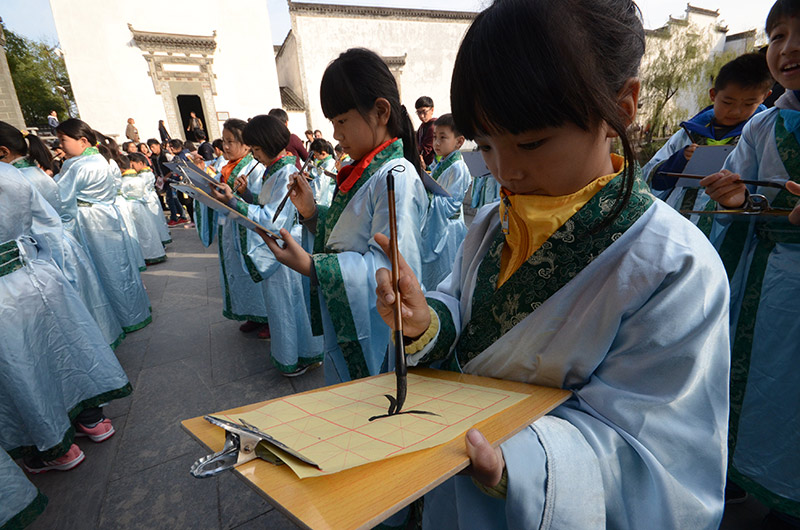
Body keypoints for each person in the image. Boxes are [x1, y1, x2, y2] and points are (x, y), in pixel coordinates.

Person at [373, 1, 730, 528]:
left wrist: (522, 465)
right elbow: (462, 304)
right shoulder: (493, 224)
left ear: (622, 106)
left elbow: (656, 453)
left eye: (532, 142)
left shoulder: (674, 266)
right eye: (487, 144)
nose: (506, 170)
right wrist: (428, 320)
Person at [257, 48, 428, 386]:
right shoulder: (370, 171)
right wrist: (311, 213)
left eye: (341, 121)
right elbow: (350, 233)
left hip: (378, 330)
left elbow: (391, 271)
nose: (335, 135)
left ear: (380, 111)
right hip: (350, 314)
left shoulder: (396, 176)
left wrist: (311, 265)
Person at [699, 1, 800, 525]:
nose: (789, 48)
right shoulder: (764, 128)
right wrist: (736, 201)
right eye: (778, 34)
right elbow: (739, 204)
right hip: (775, 292)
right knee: (770, 395)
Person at [0, 161, 131, 474]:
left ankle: (53, 446)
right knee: (64, 346)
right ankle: (92, 419)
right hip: (37, 273)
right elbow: (48, 221)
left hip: (5, 295)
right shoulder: (9, 172)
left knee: (23, 369)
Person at [211, 115, 323, 376]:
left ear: (269, 145)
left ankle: (296, 357)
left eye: (257, 149)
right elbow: (267, 207)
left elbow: (273, 219)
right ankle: (302, 353)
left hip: (285, 252)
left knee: (286, 305)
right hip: (280, 248)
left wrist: (236, 202)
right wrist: (247, 195)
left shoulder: (286, 172)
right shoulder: (276, 170)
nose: (254, 155)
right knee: (287, 304)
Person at [0, 121, 125, 348]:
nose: (60, 146)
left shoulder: (13, 179)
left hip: (47, 247)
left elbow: (63, 202)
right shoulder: (37, 172)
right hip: (70, 235)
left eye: (63, 140)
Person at [55, 118, 152, 333]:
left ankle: (115, 318)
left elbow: (59, 199)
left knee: (103, 270)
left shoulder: (78, 166)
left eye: (63, 140)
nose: (60, 145)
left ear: (82, 141)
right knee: (117, 266)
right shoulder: (101, 160)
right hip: (106, 215)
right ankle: (133, 312)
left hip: (90, 221)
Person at [643, 53, 773, 212]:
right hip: (679, 216)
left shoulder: (762, 138)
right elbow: (650, 178)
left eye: (749, 103)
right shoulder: (688, 134)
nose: (736, 111)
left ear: (765, 98)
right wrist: (680, 159)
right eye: (727, 102)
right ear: (713, 95)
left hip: (727, 226)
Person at [194, 118, 270, 338]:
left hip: (248, 231)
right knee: (237, 272)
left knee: (252, 271)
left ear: (246, 145)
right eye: (224, 141)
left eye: (231, 141)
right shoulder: (225, 166)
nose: (225, 146)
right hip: (230, 228)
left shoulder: (254, 167)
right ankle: (251, 313)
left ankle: (267, 316)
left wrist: (237, 196)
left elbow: (259, 201)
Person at [420, 113, 471, 289]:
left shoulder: (458, 168)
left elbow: (451, 205)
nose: (436, 143)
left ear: (459, 142)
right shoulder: (442, 163)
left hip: (449, 229)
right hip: (439, 225)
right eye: (434, 138)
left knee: (447, 272)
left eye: (443, 138)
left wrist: (427, 195)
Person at [116, 154, 167, 265]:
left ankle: (148, 255)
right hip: (141, 204)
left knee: (141, 233)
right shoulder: (140, 178)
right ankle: (155, 252)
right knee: (149, 229)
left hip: (132, 207)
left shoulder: (125, 181)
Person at [129, 151, 171, 246]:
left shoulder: (143, 175)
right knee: (157, 221)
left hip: (148, 200)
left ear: (140, 163)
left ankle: (159, 242)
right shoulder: (147, 173)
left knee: (153, 222)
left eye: (132, 165)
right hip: (150, 198)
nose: (131, 168)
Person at [308, 138, 336, 207]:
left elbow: (321, 183)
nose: (315, 157)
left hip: (327, 198)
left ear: (323, 153)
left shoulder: (330, 164)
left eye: (316, 155)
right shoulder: (324, 163)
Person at [415, 96, 437, 168]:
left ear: (432, 110)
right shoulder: (422, 126)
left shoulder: (433, 126)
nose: (421, 116)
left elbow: (426, 149)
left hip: (431, 165)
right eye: (418, 112)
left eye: (424, 112)